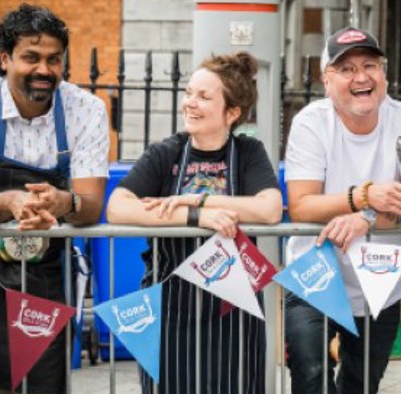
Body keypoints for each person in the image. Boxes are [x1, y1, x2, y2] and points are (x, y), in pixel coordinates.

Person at [0, 3, 109, 393]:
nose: (45, 70)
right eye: (31, 57)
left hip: (48, 277)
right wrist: (14, 202)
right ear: (4, 59)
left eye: (54, 60)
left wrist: (62, 203)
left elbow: (92, 204)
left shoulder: (86, 110)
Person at [106, 51, 283, 394]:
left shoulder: (248, 153)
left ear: (232, 112)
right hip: (171, 308)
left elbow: (270, 209)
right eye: (189, 93)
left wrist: (197, 198)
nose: (190, 103)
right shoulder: (166, 153)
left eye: (204, 97)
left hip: (235, 313)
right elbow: (118, 207)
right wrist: (197, 217)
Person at [284, 27, 401, 394]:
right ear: (327, 81)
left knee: (361, 384)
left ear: (383, 75)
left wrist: (365, 218)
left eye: (370, 65)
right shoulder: (310, 121)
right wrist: (364, 196)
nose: (361, 77)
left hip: (381, 277)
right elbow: (302, 205)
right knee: (309, 378)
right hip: (314, 273)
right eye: (346, 69)